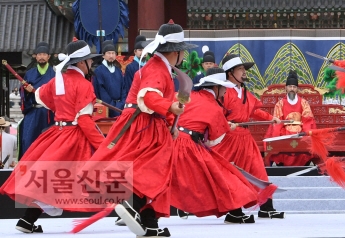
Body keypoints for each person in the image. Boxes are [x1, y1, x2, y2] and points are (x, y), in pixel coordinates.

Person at [85, 20, 195, 237]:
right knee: (148, 169)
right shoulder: (156, 68)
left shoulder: (160, 67)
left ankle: (149, 222)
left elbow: (158, 99)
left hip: (150, 122)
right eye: (183, 51)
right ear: (175, 52)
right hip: (143, 122)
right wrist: (170, 106)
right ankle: (132, 207)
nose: (184, 56)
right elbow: (151, 96)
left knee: (154, 170)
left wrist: (172, 117)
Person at [0, 38, 104, 233]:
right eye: (89, 60)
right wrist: (103, 144)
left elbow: (42, 96)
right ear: (81, 62)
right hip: (74, 136)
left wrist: (64, 108)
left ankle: (27, 220)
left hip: (57, 132)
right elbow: (84, 121)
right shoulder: (83, 84)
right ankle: (129, 209)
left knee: (48, 179)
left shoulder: (57, 80)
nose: (91, 63)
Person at [171, 67, 259, 224]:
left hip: (172, 140)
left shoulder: (190, 95)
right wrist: (227, 126)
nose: (225, 92)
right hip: (188, 146)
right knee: (222, 174)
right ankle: (235, 212)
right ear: (216, 88)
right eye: (224, 87)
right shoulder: (214, 107)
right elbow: (213, 140)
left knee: (155, 176)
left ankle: (135, 208)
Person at [212, 54, 285, 219]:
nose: (244, 72)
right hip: (228, 139)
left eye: (244, 69)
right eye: (240, 69)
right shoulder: (224, 91)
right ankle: (234, 211)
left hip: (245, 137)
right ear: (230, 73)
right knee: (230, 173)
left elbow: (254, 111)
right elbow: (215, 114)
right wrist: (225, 124)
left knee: (258, 171)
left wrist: (270, 118)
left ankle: (266, 207)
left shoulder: (244, 91)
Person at [264, 70, 316, 166]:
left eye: (294, 87)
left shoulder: (303, 103)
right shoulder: (280, 104)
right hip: (285, 131)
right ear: (286, 88)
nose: (292, 89)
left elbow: (308, 120)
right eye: (290, 86)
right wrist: (276, 137)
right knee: (282, 138)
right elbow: (277, 122)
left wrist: (306, 134)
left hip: (300, 131)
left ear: (297, 89)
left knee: (304, 140)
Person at [18, 42, 56, 160]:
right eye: (39, 54)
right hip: (33, 110)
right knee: (28, 139)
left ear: (49, 57)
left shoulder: (54, 73)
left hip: (48, 112)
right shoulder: (30, 73)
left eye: (44, 54)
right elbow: (22, 92)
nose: (41, 57)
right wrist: (27, 90)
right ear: (35, 56)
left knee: (50, 142)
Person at [92, 40, 126, 117]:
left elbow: (123, 88)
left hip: (120, 107)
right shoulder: (99, 71)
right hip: (106, 107)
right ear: (103, 55)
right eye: (108, 53)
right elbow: (101, 91)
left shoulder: (118, 70)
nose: (111, 56)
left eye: (113, 53)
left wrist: (121, 103)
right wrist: (113, 106)